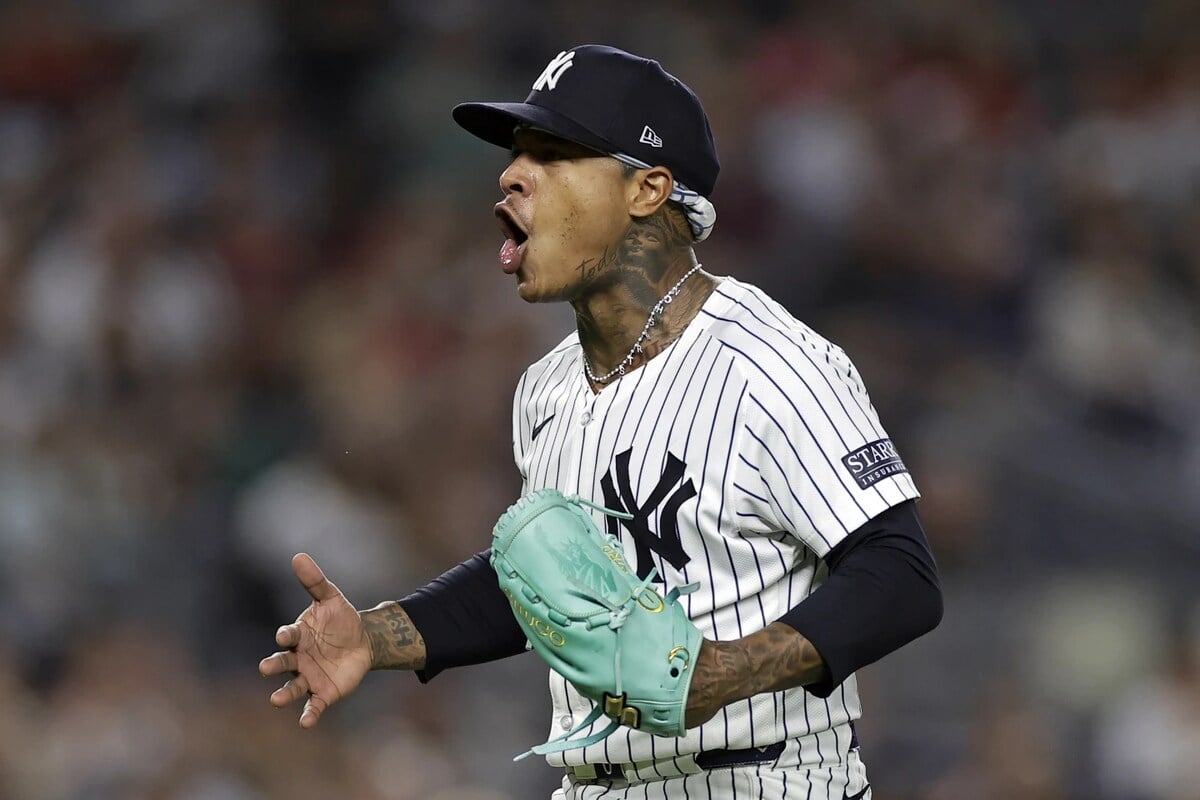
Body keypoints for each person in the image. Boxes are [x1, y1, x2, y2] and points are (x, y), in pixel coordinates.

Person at [259, 44, 943, 799]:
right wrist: (377, 636)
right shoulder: (545, 388)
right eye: (518, 154)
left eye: (553, 154)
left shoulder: (769, 364)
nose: (512, 175)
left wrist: (724, 672)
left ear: (648, 189)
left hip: (764, 781)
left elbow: (900, 575)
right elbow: (539, 584)